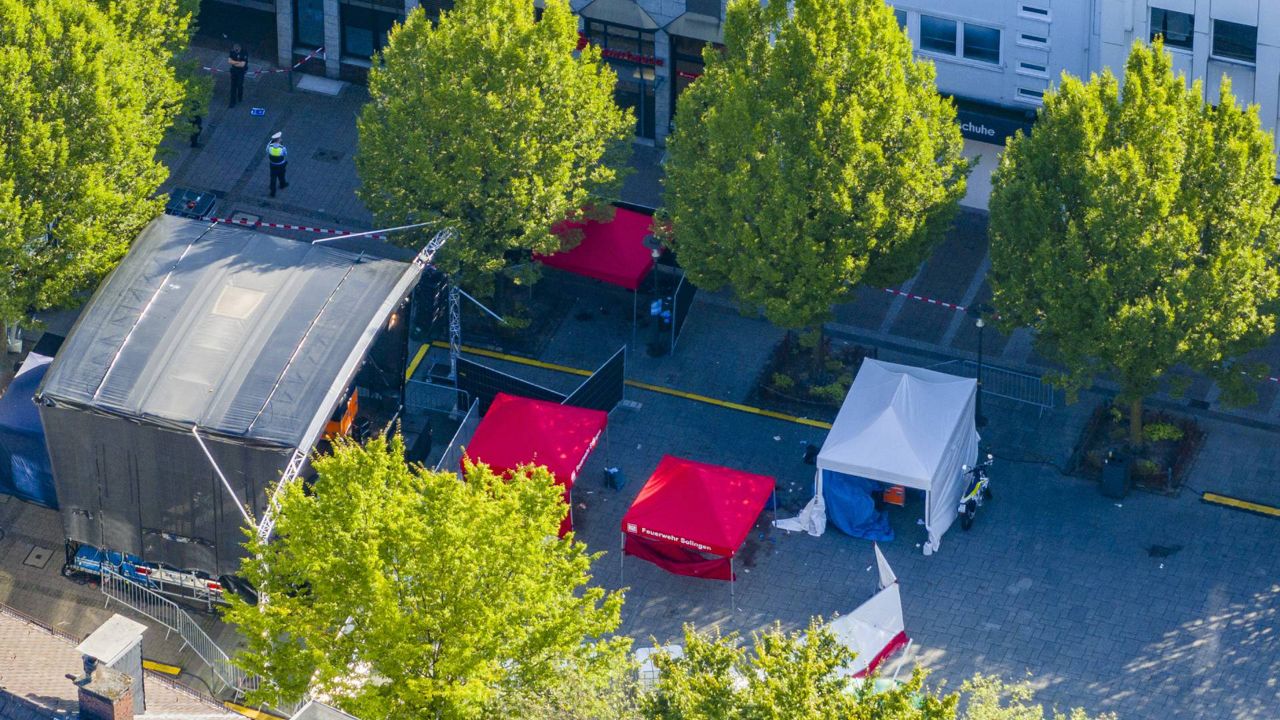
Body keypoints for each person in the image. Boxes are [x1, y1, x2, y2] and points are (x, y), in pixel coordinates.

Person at [267, 131, 289, 197]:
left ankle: (272, 192)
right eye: (280, 138)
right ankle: (282, 184)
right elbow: (285, 154)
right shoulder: (282, 148)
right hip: (281, 164)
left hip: (272, 164)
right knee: (281, 175)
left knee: (273, 177)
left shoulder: (269, 146)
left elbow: (267, 151)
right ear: (278, 140)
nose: (281, 139)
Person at [228, 43, 248, 108]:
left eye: (237, 50)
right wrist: (237, 63)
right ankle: (232, 102)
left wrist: (234, 62)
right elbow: (229, 61)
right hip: (234, 70)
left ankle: (240, 96)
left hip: (241, 71)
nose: (235, 51)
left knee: (239, 85)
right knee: (233, 87)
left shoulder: (244, 53)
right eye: (235, 50)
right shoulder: (232, 51)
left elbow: (242, 65)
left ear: (239, 48)